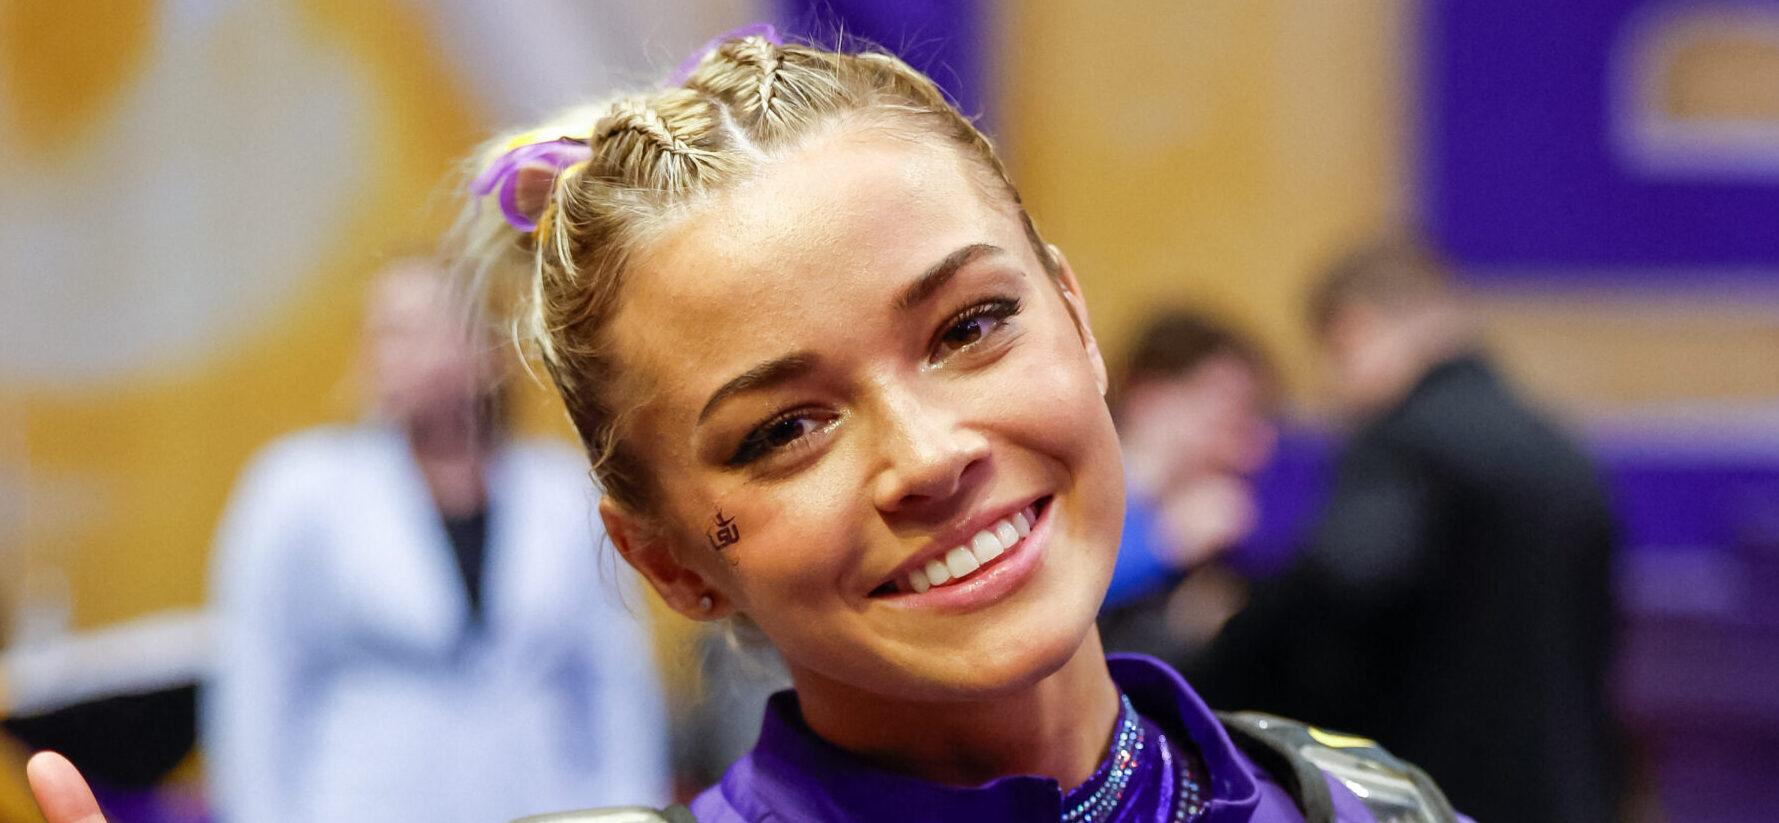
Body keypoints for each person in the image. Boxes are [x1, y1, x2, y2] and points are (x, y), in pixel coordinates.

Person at [28, 31, 1469, 823]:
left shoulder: (1357, 803)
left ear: (1077, 322)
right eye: (782, 428)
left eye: (969, 327)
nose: (927, 451)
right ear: (668, 560)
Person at [199, 261, 669, 823]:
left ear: (492, 351)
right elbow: (257, 685)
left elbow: (615, 686)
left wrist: (635, 811)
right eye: (388, 332)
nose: (402, 353)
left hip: (543, 802)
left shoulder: (565, 492)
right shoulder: (299, 488)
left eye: (427, 328)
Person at [1188, 239, 1620, 823]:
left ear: (1355, 329)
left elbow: (1339, 579)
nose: (1335, 392)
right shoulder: (1564, 454)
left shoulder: (1405, 444)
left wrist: (1216, 658)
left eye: (1333, 360)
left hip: (1445, 799)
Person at [1098, 312, 1278, 661]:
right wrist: (1164, 542)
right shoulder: (1068, 490)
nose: (1251, 453)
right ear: (1150, 398)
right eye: (1230, 419)